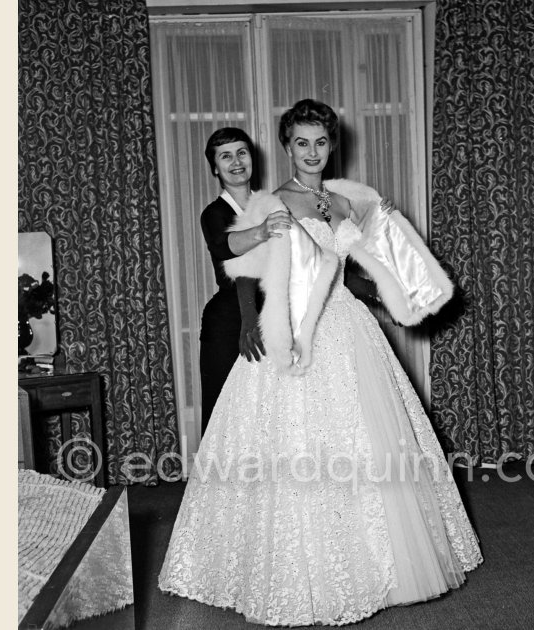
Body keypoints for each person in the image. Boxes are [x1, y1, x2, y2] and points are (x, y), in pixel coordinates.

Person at [159, 100, 482, 626]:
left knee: (368, 438)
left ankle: (382, 563)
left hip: (349, 326)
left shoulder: (346, 201)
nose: (312, 152)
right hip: (295, 329)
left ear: (333, 146)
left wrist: (388, 292)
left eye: (321, 142)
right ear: (287, 148)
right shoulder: (269, 202)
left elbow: (352, 272)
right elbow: (240, 264)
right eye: (301, 143)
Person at [196, 127, 293, 434]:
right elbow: (226, 247)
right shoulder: (214, 213)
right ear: (215, 168)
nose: (236, 161)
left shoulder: (272, 203)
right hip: (229, 321)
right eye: (225, 156)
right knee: (224, 411)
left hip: (273, 315)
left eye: (242, 153)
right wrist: (262, 231)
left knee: (272, 412)